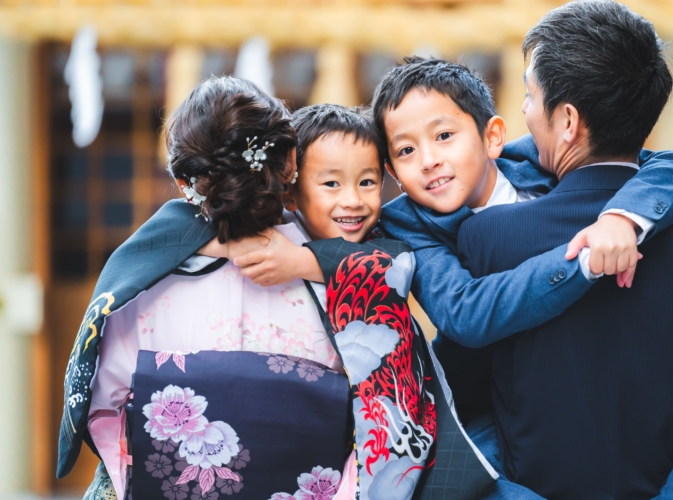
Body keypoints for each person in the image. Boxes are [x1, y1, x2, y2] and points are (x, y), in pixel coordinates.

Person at [229, 57, 673, 498]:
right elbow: (461, 309)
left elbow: (667, 166)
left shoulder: (538, 163)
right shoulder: (409, 223)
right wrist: (583, 258)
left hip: (603, 374)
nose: (430, 161)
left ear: (492, 137)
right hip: (485, 406)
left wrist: (621, 220)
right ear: (393, 171)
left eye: (443, 136)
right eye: (406, 151)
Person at [60, 77, 496, 500]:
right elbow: (392, 420)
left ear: (184, 182)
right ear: (289, 166)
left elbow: (105, 408)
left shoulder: (141, 279)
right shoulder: (346, 272)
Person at [454, 1, 673, 498]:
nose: (523, 112)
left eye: (532, 97)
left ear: (569, 121)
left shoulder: (489, 238)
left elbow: (460, 404)